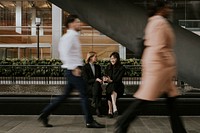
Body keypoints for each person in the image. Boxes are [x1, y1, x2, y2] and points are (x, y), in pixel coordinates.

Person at [114, 1, 187, 133]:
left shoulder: (153, 21)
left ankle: (179, 130)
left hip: (160, 67)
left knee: (171, 102)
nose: (169, 9)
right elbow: (159, 47)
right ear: (161, 8)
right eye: (167, 7)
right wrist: (170, 62)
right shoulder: (159, 22)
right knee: (145, 99)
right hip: (159, 67)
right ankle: (123, 121)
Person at [38, 15, 105, 128]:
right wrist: (74, 68)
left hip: (73, 70)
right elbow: (63, 53)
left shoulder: (72, 36)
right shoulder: (69, 37)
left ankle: (45, 114)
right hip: (73, 70)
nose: (80, 24)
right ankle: (89, 121)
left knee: (65, 96)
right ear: (71, 24)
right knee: (84, 95)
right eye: (77, 22)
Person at [103, 52, 125, 118]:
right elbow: (106, 76)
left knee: (112, 87)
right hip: (111, 86)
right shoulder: (108, 67)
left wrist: (111, 80)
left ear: (117, 59)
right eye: (111, 58)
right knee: (111, 87)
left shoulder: (122, 68)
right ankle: (115, 108)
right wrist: (105, 79)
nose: (112, 60)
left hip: (119, 87)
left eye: (114, 58)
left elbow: (118, 79)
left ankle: (110, 110)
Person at [82, 51, 103, 117]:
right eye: (95, 56)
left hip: (96, 87)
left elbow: (99, 78)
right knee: (97, 86)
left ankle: (94, 101)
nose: (96, 58)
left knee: (97, 85)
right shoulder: (85, 67)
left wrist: (102, 80)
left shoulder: (98, 67)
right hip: (88, 87)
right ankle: (97, 109)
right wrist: (96, 80)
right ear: (90, 58)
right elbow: (86, 80)